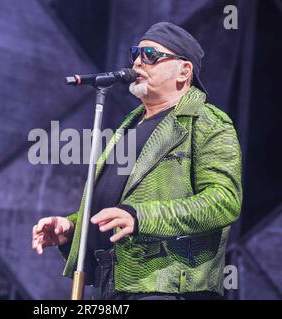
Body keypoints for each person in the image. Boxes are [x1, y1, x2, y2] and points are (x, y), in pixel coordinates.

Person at [32, 22, 242, 300]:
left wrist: (141, 217)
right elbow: (116, 202)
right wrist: (71, 228)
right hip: (115, 284)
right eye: (136, 54)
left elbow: (224, 200)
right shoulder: (130, 124)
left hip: (168, 287)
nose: (138, 62)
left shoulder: (207, 122)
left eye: (151, 55)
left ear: (184, 71)